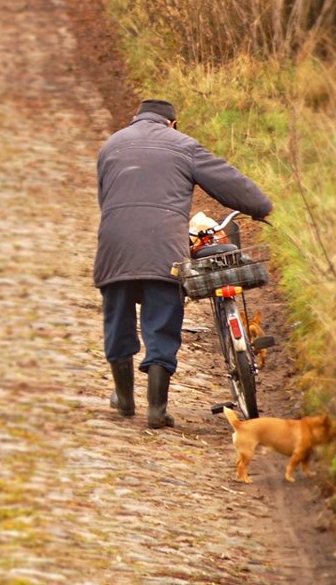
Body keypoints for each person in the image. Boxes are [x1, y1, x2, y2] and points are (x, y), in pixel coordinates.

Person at [94, 98, 273, 429]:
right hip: (164, 248)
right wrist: (260, 206)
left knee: (117, 316)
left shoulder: (111, 145)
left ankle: (124, 398)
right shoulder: (183, 145)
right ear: (172, 123)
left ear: (135, 119)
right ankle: (156, 410)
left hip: (114, 246)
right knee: (161, 318)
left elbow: (107, 199)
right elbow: (227, 181)